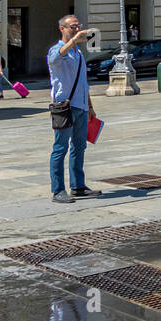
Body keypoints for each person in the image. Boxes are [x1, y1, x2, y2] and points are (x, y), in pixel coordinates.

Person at [47, 15, 101, 205]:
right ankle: (58, 190)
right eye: (73, 27)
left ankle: (78, 186)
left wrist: (91, 107)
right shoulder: (56, 51)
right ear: (62, 28)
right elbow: (56, 57)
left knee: (79, 147)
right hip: (64, 106)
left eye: (78, 27)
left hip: (82, 106)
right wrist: (73, 41)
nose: (77, 30)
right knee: (60, 148)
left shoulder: (78, 53)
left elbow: (84, 83)